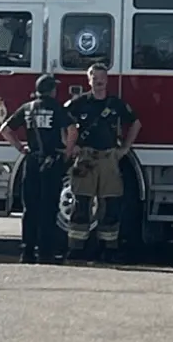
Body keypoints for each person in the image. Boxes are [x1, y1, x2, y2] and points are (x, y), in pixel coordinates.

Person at [63, 63, 141, 263]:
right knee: (81, 204)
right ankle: (76, 248)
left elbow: (135, 123)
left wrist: (124, 149)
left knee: (111, 204)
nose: (98, 82)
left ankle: (109, 249)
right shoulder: (79, 103)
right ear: (88, 80)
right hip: (86, 158)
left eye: (101, 78)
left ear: (107, 80)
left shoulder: (115, 104)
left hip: (108, 159)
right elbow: (61, 122)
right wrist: (71, 146)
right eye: (94, 78)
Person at [0, 74, 72, 264]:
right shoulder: (57, 108)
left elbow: (5, 129)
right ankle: (46, 252)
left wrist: (20, 147)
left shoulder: (27, 108)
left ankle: (28, 251)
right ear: (52, 90)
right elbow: (73, 130)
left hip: (31, 161)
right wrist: (68, 152)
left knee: (30, 208)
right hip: (52, 161)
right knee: (48, 209)